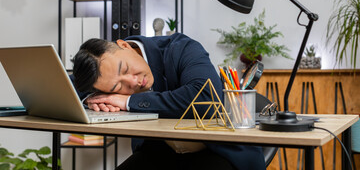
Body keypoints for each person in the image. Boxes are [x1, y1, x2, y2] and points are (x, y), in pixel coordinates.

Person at [72, 33, 266, 170]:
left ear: (124, 45)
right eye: (116, 87)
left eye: (125, 69)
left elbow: (206, 96)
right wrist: (93, 99)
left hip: (217, 151)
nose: (133, 81)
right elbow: (68, 86)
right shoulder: (101, 74)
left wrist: (127, 100)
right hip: (158, 152)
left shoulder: (182, 48)